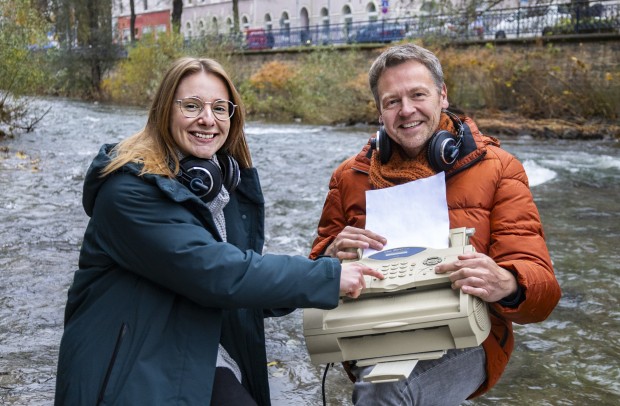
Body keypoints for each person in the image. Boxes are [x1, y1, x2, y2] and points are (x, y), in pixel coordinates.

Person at [54, 57, 383, 406]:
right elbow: (217, 272)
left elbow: (243, 285)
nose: (207, 119)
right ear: (165, 110)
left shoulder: (218, 188)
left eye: (219, 108)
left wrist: (327, 262)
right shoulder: (127, 191)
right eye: (192, 106)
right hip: (128, 372)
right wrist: (327, 277)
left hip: (196, 352)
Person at [309, 44, 562, 405]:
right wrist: (330, 260)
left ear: (443, 96)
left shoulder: (501, 168)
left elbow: (543, 293)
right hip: (373, 332)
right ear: (379, 111)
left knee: (384, 392)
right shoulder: (348, 178)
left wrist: (507, 283)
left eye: (418, 95)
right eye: (392, 101)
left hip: (468, 334)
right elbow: (309, 275)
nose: (406, 110)